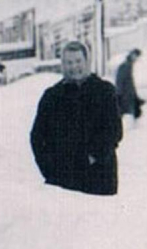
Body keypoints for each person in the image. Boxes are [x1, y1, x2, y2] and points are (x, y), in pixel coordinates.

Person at [29, 40, 123, 196]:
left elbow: (114, 131)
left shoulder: (104, 91)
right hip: (62, 182)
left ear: (87, 61)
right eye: (68, 62)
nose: (74, 67)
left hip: (99, 180)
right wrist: (50, 170)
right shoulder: (52, 96)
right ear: (62, 65)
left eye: (78, 61)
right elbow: (37, 137)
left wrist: (92, 157)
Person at [115, 48, 144, 124]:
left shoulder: (130, 66)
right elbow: (120, 81)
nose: (136, 59)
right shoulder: (125, 66)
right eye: (135, 56)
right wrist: (119, 94)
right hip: (125, 95)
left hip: (129, 95)